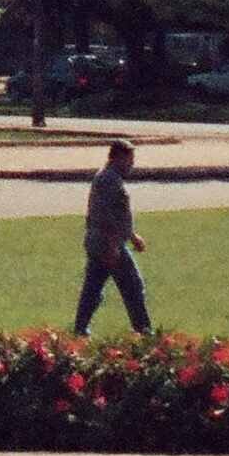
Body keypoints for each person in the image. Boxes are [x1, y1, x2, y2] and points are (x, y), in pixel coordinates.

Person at [73, 138, 151, 336]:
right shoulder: (109, 179)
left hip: (102, 241)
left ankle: (80, 329)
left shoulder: (108, 177)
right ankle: (143, 330)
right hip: (108, 243)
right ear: (118, 157)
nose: (132, 165)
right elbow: (106, 216)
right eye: (129, 160)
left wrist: (132, 236)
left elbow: (118, 214)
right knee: (133, 286)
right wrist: (113, 245)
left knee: (93, 288)